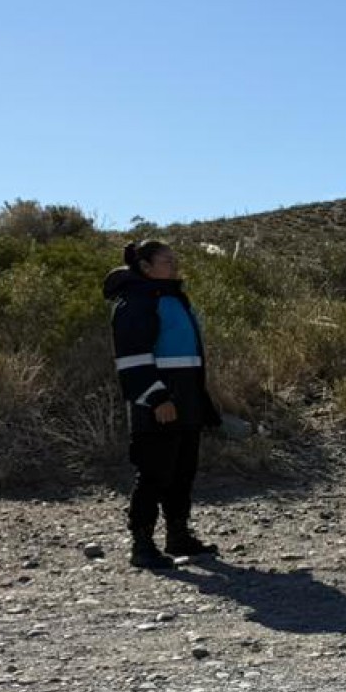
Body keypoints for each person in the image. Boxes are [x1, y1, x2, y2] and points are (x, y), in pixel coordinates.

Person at [106, 241, 221, 570]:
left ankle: (178, 535)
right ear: (145, 265)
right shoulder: (136, 301)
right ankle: (142, 544)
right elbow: (132, 357)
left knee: (183, 470)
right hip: (157, 402)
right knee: (154, 472)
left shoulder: (171, 297)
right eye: (166, 259)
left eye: (174, 257)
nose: (174, 263)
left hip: (186, 399)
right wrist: (156, 397)